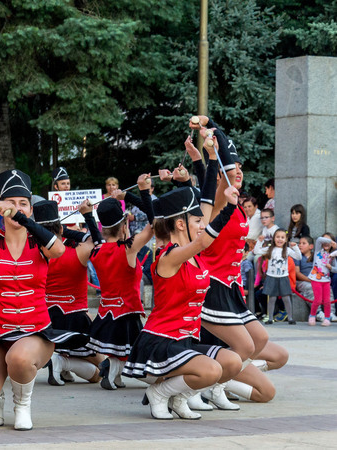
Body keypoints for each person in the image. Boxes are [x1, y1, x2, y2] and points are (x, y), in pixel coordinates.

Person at [0, 163, 87, 430]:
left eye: (23, 203)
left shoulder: (41, 242)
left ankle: (22, 404)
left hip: (36, 331)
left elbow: (58, 250)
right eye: (11, 202)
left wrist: (24, 220)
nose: (17, 207)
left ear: (31, 209)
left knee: (19, 359)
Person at [122, 185, 243, 420]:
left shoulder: (195, 257)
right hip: (161, 341)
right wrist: (229, 208)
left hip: (185, 340)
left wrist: (210, 172)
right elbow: (203, 241)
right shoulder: (169, 256)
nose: (202, 225)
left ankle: (179, 397)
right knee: (211, 370)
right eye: (198, 221)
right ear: (180, 224)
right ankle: (158, 393)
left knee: (232, 362)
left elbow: (204, 227)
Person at [193, 116, 275, 411]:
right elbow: (214, 175)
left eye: (240, 168)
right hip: (213, 285)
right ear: (218, 176)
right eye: (232, 169)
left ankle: (221, 380)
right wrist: (211, 130)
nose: (237, 172)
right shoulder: (217, 202)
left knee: (262, 341)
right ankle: (209, 383)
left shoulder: (237, 207)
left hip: (231, 287)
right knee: (247, 346)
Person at [88, 175, 154, 391]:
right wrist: (140, 193)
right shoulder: (128, 248)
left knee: (126, 351)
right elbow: (155, 222)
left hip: (107, 311)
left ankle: (114, 371)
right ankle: (113, 368)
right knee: (142, 361)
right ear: (124, 225)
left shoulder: (96, 250)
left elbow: (97, 236)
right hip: (127, 311)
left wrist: (88, 216)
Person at [35, 199, 104, 387]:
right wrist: (86, 216)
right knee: (101, 373)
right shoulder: (79, 250)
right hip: (75, 320)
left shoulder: (32, 252)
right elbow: (97, 241)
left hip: (44, 320)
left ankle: (62, 362)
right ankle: (62, 362)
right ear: (60, 227)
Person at [254, 229, 301, 324]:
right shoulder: (270, 249)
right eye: (278, 237)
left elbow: (298, 257)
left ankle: (290, 318)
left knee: (286, 298)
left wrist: (295, 247)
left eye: (282, 237)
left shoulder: (287, 250)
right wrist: (260, 241)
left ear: (286, 239)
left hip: (283, 277)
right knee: (272, 298)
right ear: (274, 238)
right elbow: (256, 251)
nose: (280, 239)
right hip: (271, 277)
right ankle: (270, 318)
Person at [308, 234, 337, 326]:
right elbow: (319, 239)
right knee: (318, 300)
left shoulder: (332, 256)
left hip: (326, 280)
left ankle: (327, 318)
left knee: (327, 301)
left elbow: (336, 269)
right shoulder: (318, 251)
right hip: (315, 279)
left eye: (329, 241)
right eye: (325, 241)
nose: (326, 243)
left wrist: (331, 267)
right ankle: (312, 315)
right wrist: (330, 241)